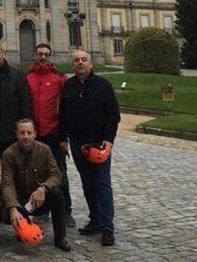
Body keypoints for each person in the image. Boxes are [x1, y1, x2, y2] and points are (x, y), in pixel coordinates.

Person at [60, 50, 120, 247]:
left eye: (84, 60)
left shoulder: (103, 85)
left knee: (102, 183)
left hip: (99, 143)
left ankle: (107, 227)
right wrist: (63, 139)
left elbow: (113, 116)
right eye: (76, 60)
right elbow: (63, 116)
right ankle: (95, 219)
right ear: (73, 65)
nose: (80, 63)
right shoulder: (68, 86)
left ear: (91, 64)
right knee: (87, 183)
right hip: (78, 144)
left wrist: (108, 141)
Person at [0, 119, 71, 252]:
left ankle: (60, 238)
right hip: (21, 200)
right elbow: (7, 184)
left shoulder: (45, 150)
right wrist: (13, 208)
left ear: (35, 134)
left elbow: (56, 175)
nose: (25, 136)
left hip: (39, 198)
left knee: (57, 194)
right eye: (22, 133)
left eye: (29, 132)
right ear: (16, 134)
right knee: (5, 214)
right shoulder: (8, 154)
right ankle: (23, 227)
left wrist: (43, 188)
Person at [26, 43, 75, 227]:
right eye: (40, 54)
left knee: (60, 173)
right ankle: (41, 209)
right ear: (35, 56)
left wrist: (63, 136)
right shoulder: (27, 78)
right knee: (35, 173)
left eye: (46, 54)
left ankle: (65, 210)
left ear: (51, 57)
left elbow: (67, 108)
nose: (43, 57)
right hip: (34, 135)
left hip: (54, 134)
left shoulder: (60, 78)